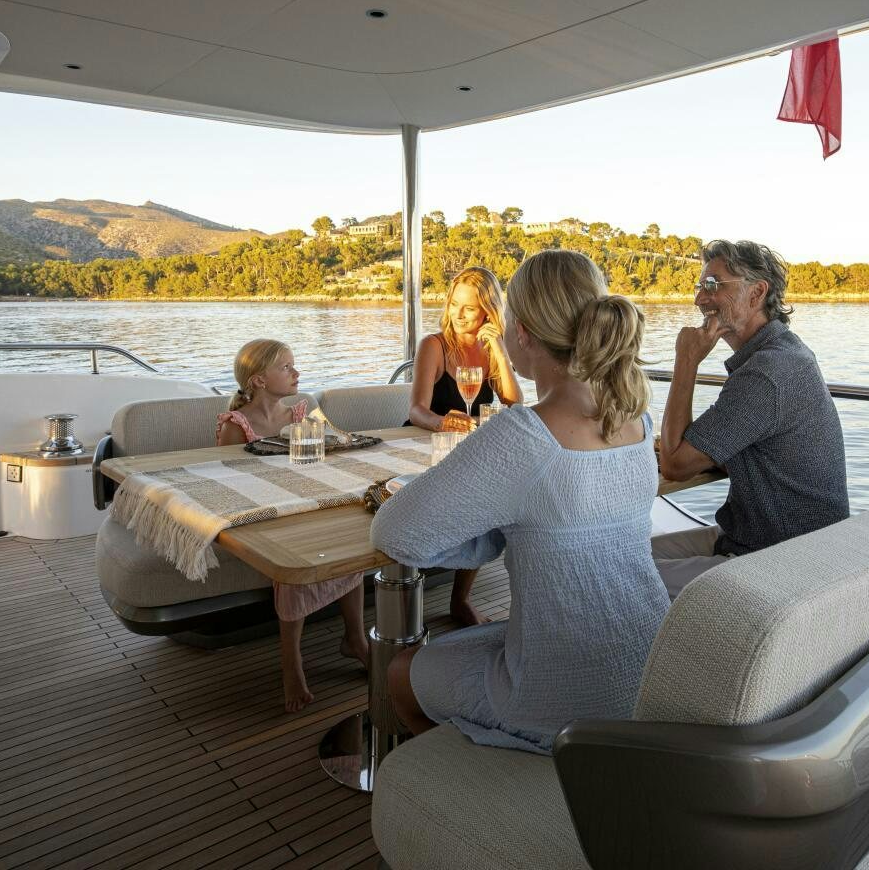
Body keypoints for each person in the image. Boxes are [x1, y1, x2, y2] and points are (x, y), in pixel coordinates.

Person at [372, 250, 668, 753]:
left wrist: (477, 532)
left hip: (564, 697)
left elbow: (395, 534)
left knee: (403, 670)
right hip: (650, 663)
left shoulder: (525, 435)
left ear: (522, 333)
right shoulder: (636, 417)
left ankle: (483, 774)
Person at [653, 239, 849, 597]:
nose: (699, 299)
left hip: (781, 561)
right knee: (621, 556)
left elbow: (676, 465)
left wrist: (686, 361)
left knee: (615, 573)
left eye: (713, 285)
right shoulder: (785, 352)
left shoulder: (768, 372)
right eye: (700, 286)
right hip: (761, 537)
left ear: (757, 292)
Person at [215, 339, 370, 712]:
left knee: (347, 539)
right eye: (286, 367)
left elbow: (333, 446)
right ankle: (292, 662)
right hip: (260, 508)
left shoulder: (301, 414)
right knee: (292, 556)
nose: (296, 373)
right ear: (259, 381)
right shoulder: (238, 425)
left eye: (293, 365)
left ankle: (356, 638)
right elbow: (223, 481)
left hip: (303, 500)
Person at [406, 265, 523, 626]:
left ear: (488, 311)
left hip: (467, 450)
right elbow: (416, 411)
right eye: (454, 304)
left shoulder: (490, 350)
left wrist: (500, 350)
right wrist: (447, 422)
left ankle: (460, 600)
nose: (457, 314)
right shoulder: (434, 345)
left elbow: (516, 405)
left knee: (487, 505)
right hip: (425, 444)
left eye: (469, 308)